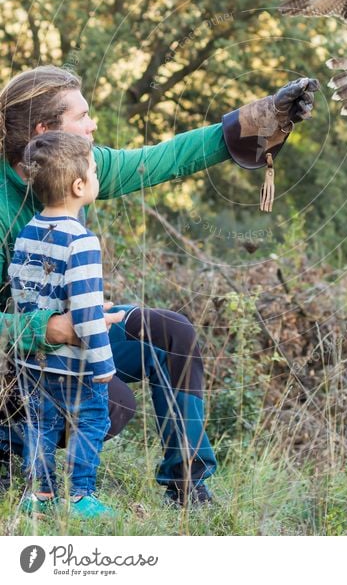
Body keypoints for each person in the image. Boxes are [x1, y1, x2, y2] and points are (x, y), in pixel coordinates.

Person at [0, 65, 318, 506]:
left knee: (172, 335)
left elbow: (162, 159)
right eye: (83, 116)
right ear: (45, 130)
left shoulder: (77, 166)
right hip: (17, 358)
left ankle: (187, 485)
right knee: (112, 403)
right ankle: (11, 452)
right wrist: (45, 329)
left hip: (72, 336)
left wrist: (246, 123)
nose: (93, 125)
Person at [9, 132, 116, 517]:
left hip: (33, 361)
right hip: (75, 363)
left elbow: (24, 294)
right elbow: (86, 312)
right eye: (94, 170)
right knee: (91, 419)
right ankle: (80, 496)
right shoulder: (82, 241)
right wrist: (104, 363)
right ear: (78, 185)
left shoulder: (26, 234)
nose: (96, 176)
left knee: (40, 425)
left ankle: (40, 496)